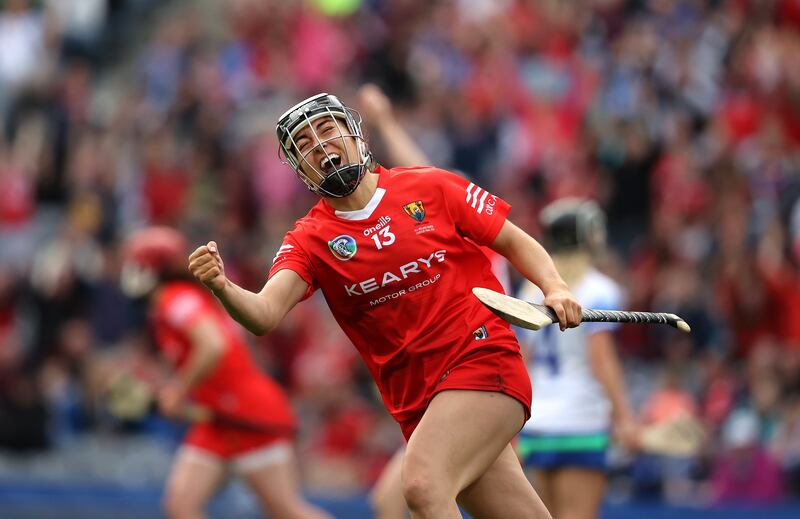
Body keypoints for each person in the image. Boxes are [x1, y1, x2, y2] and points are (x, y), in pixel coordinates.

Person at [188, 92, 582, 519]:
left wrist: (554, 286)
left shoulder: (429, 186)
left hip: (482, 359)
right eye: (303, 145)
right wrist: (222, 286)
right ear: (299, 169)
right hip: (416, 402)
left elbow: (512, 239)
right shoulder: (308, 239)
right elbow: (264, 314)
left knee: (420, 487)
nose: (319, 146)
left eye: (325, 129)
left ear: (355, 134)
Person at [121, 227, 332, 519]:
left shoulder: (173, 298)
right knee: (180, 505)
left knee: (285, 511)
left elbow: (212, 345)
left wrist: (177, 390)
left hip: (247, 414)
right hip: (216, 419)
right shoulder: (176, 300)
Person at [515, 199, 638, 519]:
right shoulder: (599, 289)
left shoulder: (530, 291)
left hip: (537, 423)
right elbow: (601, 361)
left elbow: (522, 361)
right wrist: (625, 417)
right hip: (582, 420)